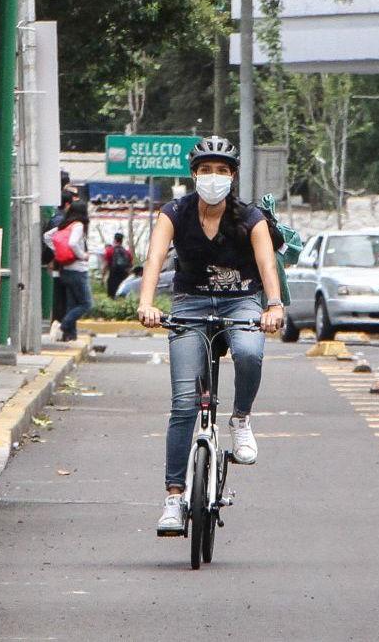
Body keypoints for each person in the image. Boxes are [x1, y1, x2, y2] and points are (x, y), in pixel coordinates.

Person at [136, 136, 284, 534]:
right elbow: (154, 259)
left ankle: (240, 419)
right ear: (193, 174)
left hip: (241, 304)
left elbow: (267, 264)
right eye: (205, 170)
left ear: (232, 176)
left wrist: (273, 306)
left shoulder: (250, 218)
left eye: (221, 171)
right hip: (190, 305)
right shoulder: (174, 213)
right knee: (184, 404)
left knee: (250, 353)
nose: (213, 178)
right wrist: (146, 303)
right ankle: (172, 498)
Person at [43, 201, 92, 341]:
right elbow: (72, 243)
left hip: (65, 269)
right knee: (85, 304)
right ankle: (62, 327)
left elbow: (47, 236)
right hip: (78, 269)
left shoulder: (64, 225)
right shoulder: (78, 225)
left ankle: (71, 335)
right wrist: (81, 255)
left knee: (72, 304)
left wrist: (58, 252)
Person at [102, 233, 133, 297]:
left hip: (113, 278)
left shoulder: (109, 251)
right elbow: (130, 268)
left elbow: (105, 265)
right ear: (122, 241)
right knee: (122, 297)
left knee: (111, 298)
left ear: (114, 240)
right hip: (124, 278)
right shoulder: (128, 252)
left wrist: (103, 277)